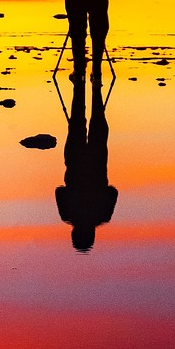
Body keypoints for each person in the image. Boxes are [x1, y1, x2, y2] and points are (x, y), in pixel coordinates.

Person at [55, 70, 116, 251]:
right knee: (80, 119)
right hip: (79, 160)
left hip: (91, 162)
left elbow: (113, 192)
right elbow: (59, 191)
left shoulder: (102, 215)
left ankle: (81, 76)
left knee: (90, 120)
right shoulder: (69, 214)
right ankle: (89, 78)